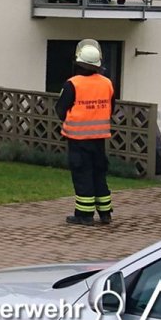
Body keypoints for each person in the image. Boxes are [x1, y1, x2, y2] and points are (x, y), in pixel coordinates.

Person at [55, 39, 115, 226]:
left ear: (78, 62)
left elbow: (60, 110)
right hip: (99, 139)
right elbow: (111, 108)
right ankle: (105, 213)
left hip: (78, 139)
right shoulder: (107, 83)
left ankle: (84, 215)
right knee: (99, 174)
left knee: (83, 175)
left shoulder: (72, 84)